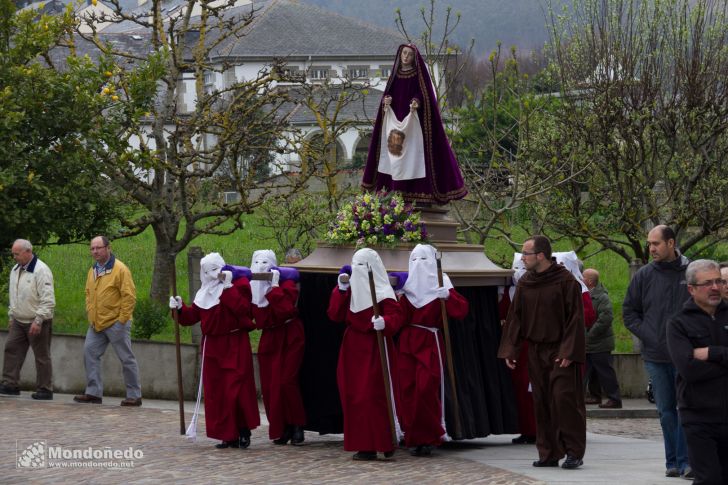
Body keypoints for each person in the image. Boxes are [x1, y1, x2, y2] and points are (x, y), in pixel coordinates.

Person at [498, 235, 586, 470]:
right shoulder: (527, 282)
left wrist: (568, 350)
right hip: (536, 350)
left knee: (564, 400)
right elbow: (516, 318)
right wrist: (511, 349)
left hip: (560, 350)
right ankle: (548, 452)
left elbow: (575, 319)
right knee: (542, 401)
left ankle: (573, 451)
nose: (522, 258)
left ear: (540, 255)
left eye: (526, 253)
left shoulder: (566, 281)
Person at [170, 252, 260, 449]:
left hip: (234, 342)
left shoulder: (240, 285)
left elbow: (243, 309)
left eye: (215, 268)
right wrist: (179, 309)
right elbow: (192, 317)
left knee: (236, 389)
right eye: (207, 270)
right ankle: (227, 434)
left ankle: (243, 430)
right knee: (217, 392)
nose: (212, 274)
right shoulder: (204, 292)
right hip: (211, 346)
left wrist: (228, 288)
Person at [623, 225, 691, 478]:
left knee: (686, 408)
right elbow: (629, 312)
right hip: (656, 355)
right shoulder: (643, 275)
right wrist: (650, 335)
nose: (651, 248)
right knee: (666, 411)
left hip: (686, 355)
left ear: (671, 243)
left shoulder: (691, 271)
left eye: (656, 243)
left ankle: (686, 461)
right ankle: (671, 461)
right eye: (649, 243)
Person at [361, 43, 467, 204]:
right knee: (395, 154)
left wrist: (416, 102)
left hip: (413, 123)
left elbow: (423, 94)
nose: (405, 57)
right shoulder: (395, 75)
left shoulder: (418, 76)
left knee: (414, 155)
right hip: (395, 124)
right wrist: (387, 100)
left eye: (409, 54)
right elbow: (389, 93)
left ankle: (417, 191)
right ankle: (394, 190)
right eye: (404, 53)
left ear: (414, 57)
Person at [327, 248, 404, 461]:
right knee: (354, 396)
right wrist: (341, 289)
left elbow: (396, 316)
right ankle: (364, 445)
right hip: (353, 348)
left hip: (375, 347)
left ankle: (384, 440)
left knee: (373, 394)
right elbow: (335, 314)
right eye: (356, 265)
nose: (359, 270)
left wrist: (385, 322)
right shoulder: (351, 290)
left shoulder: (383, 292)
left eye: (363, 266)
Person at [396, 244, 469, 456]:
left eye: (423, 259)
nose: (419, 264)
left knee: (426, 389)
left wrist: (448, 296)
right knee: (407, 389)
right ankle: (411, 435)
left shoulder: (442, 281)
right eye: (414, 259)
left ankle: (428, 436)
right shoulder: (406, 285)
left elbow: (461, 310)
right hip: (408, 342)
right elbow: (399, 318)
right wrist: (396, 299)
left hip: (429, 340)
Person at [666, 260, 728, 485]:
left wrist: (712, 353)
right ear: (691, 288)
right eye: (707, 283)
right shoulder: (678, 324)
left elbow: (701, 363)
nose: (715, 287)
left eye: (718, 281)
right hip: (699, 416)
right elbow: (689, 369)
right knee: (709, 479)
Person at [74, 236, 141, 406]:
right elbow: (88, 293)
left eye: (98, 248)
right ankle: (93, 392)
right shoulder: (93, 270)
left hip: (116, 323)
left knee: (126, 358)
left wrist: (122, 320)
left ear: (108, 248)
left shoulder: (120, 269)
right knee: (89, 353)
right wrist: (90, 312)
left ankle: (134, 395)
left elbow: (129, 297)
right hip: (96, 323)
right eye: (92, 248)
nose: (95, 251)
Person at [249, 250, 306, 446]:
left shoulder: (287, 283)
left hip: (289, 333)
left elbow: (286, 310)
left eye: (265, 262)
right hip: (270, 337)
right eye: (256, 262)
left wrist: (274, 288)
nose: (260, 266)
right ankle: (282, 427)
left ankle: (297, 424)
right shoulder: (252, 287)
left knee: (287, 381)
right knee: (270, 385)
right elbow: (254, 315)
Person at [0, 239, 55, 400]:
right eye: (13, 254)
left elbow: (48, 299)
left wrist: (39, 320)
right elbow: (14, 295)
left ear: (28, 252)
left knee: (41, 355)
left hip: (37, 320)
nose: (14, 257)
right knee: (11, 349)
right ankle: (10, 384)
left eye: (17, 254)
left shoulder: (41, 270)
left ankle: (45, 389)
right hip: (18, 320)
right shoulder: (16, 269)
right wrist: (12, 315)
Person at [499, 256, 537, 445]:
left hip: (534, 344)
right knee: (521, 391)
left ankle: (539, 429)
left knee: (534, 389)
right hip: (518, 347)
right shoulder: (508, 292)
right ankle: (526, 429)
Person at [582, 268, 622, 409]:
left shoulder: (602, 297)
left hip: (599, 343)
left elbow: (605, 319)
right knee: (591, 372)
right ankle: (595, 396)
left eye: (583, 277)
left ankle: (615, 399)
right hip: (590, 343)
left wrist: (589, 335)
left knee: (605, 372)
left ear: (590, 281)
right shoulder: (587, 295)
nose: (581, 278)